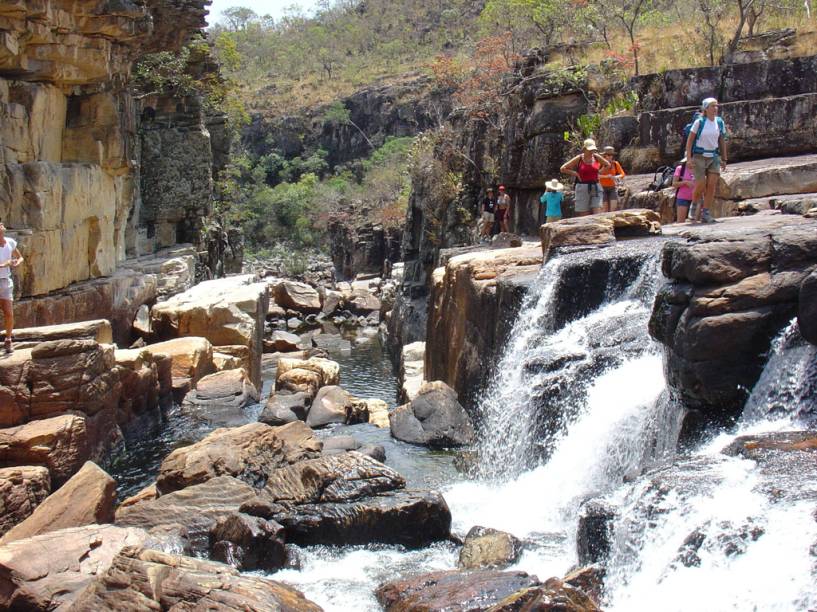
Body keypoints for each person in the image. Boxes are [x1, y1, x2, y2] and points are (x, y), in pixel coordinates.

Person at [685, 97, 729, 224]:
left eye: (716, 106)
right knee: (700, 184)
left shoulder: (719, 122)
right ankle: (694, 204)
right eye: (712, 106)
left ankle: (706, 212)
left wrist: (724, 158)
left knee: (711, 185)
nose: (715, 108)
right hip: (699, 156)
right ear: (706, 108)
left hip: (713, 156)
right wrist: (689, 159)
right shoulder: (699, 122)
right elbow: (690, 141)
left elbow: (721, 140)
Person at [560, 138, 610, 217]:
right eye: (589, 150)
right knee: (584, 213)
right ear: (584, 149)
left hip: (595, 186)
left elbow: (607, 165)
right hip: (582, 186)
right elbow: (563, 168)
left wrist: (599, 172)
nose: (591, 152)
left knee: (597, 210)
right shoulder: (579, 158)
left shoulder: (596, 157)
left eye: (592, 150)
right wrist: (576, 174)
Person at [0, 222, 23, 353]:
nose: (1, 225)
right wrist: (5, 264)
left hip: (5, 282)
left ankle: (8, 339)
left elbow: (20, 257)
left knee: (8, 312)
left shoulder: (10, 242)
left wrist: (16, 262)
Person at [599, 146, 626, 212]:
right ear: (604, 155)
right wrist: (606, 176)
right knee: (604, 210)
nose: (610, 157)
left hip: (612, 188)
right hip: (602, 188)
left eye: (611, 155)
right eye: (608, 155)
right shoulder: (600, 164)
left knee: (613, 209)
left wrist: (615, 177)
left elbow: (622, 174)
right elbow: (595, 175)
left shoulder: (615, 164)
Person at [672, 158, 696, 223]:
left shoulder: (699, 168)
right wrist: (685, 182)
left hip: (696, 198)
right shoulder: (680, 169)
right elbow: (674, 184)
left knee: (695, 222)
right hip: (682, 197)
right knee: (680, 222)